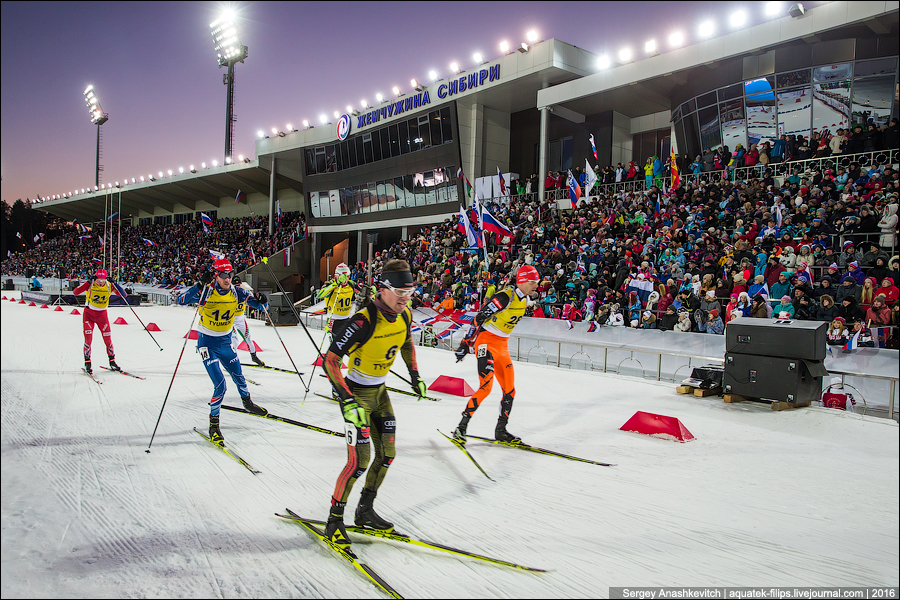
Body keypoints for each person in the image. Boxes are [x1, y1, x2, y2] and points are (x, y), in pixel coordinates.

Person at [321, 259, 426, 550]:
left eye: (410, 291)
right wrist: (347, 400)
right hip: (357, 395)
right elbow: (329, 361)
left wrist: (415, 375)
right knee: (358, 462)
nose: (406, 298)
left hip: (380, 392)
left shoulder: (403, 316)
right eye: (400, 292)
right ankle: (334, 521)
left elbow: (406, 343)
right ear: (383, 289)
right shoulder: (363, 320)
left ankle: (365, 510)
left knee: (388, 454)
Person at [176, 258, 268, 444]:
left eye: (231, 275)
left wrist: (263, 300)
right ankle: (214, 425)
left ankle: (247, 402)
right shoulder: (206, 292)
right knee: (220, 385)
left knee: (239, 376)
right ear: (216, 276)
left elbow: (262, 307)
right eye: (224, 275)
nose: (228, 279)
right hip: (207, 343)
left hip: (226, 342)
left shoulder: (237, 292)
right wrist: (198, 285)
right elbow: (180, 300)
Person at [452, 264, 540, 444]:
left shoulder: (525, 299)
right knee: (486, 386)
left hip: (502, 346)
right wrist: (465, 343)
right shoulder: (505, 297)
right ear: (522, 282)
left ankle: (501, 430)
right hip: (486, 342)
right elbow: (479, 317)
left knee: (510, 390)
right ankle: (461, 427)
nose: (536, 285)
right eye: (532, 282)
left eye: (537, 282)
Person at [72, 269, 126, 374]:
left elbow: (124, 295)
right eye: (98, 280)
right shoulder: (90, 285)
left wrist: (115, 283)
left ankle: (112, 362)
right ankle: (87, 363)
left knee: (108, 340)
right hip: (89, 315)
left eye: (103, 280)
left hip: (102, 316)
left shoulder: (109, 286)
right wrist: (87, 281)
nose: (100, 283)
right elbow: (75, 292)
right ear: (95, 278)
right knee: (88, 340)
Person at [317, 263, 363, 341]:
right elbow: (320, 294)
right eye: (343, 276)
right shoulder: (330, 284)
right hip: (334, 319)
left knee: (349, 342)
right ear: (336, 275)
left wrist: (370, 291)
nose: (345, 279)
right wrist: (336, 283)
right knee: (337, 342)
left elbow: (362, 293)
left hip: (346, 318)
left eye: (347, 276)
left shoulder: (351, 284)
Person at [231, 275, 265, 367]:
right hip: (231, 320)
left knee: (248, 339)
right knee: (234, 340)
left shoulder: (243, 292)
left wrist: (262, 301)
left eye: (238, 284)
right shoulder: (229, 292)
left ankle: (254, 356)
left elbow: (255, 303)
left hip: (241, 319)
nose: (237, 287)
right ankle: (233, 360)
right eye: (235, 285)